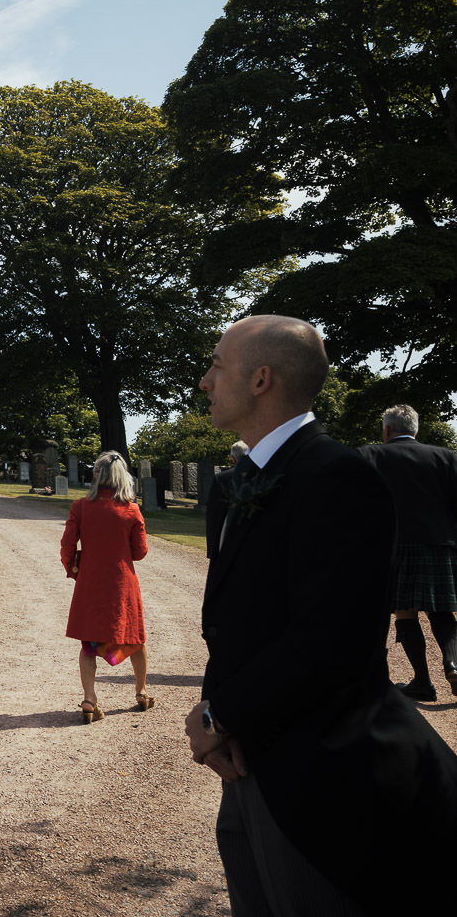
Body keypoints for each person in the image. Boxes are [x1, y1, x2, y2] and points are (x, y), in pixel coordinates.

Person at [187, 314, 457, 916]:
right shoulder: (246, 481)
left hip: (322, 778)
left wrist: (217, 712)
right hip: (252, 755)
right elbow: (234, 619)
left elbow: (331, 640)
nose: (205, 381)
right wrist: (221, 718)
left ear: (260, 380)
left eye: (216, 365)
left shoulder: (337, 476)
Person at [358, 404, 457, 702]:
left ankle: (423, 682)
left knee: (404, 610)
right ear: (416, 430)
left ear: (387, 430)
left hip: (394, 544)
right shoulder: (446, 456)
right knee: (442, 610)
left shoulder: (371, 454)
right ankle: (454, 664)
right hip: (441, 544)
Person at [60, 451, 150, 723]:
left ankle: (89, 699)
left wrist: (73, 569)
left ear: (96, 476)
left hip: (90, 581)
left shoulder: (81, 507)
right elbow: (140, 552)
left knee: (89, 642)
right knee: (134, 637)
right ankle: (141, 692)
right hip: (123, 582)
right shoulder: (132, 509)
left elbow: (66, 545)